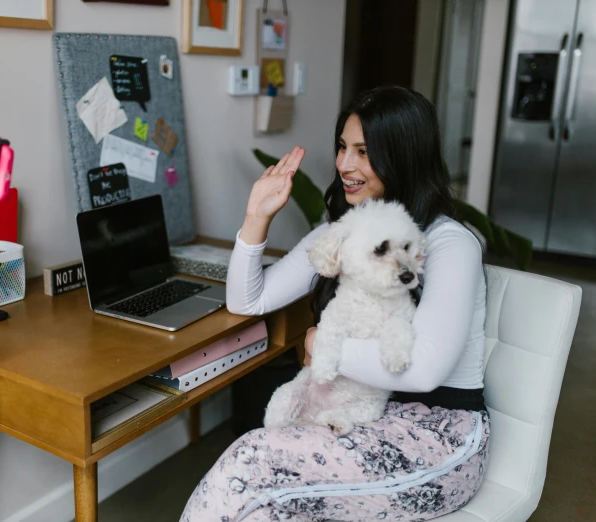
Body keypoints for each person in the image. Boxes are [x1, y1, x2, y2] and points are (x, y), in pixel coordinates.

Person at [180, 86, 490, 522]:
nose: (345, 165)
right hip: (360, 417)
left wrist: (325, 344)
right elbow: (248, 300)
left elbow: (423, 371)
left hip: (437, 437)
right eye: (343, 148)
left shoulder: (450, 244)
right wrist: (256, 217)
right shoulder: (348, 230)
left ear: (403, 156)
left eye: (364, 152)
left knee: (250, 460)